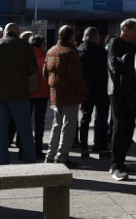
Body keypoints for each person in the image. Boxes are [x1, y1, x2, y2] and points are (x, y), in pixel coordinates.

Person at [0, 22, 38, 165]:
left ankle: (3, 161)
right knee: (25, 130)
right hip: (20, 94)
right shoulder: (24, 46)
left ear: (4, 32)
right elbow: (33, 70)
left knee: (1, 131)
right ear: (17, 32)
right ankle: (30, 162)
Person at [44, 25, 87, 168]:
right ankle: (61, 157)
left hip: (55, 93)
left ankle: (50, 155)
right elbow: (76, 77)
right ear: (71, 37)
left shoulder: (51, 50)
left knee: (57, 125)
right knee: (68, 127)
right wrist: (84, 92)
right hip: (70, 94)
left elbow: (45, 73)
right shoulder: (70, 52)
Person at [107, 18, 136, 179]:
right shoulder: (115, 43)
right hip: (118, 91)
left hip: (133, 92)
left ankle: (121, 162)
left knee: (129, 130)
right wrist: (126, 60)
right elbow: (114, 65)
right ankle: (116, 165)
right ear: (125, 29)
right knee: (119, 127)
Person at [77, 27, 110, 160]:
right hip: (100, 89)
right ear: (96, 37)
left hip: (85, 89)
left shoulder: (79, 50)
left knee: (85, 119)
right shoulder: (102, 51)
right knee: (102, 119)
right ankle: (102, 148)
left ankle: (84, 148)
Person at [27, 33, 50, 159]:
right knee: (39, 123)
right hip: (42, 93)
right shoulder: (45, 58)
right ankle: (38, 149)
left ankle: (24, 149)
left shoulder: (26, 57)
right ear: (42, 45)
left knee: (26, 122)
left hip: (28, 93)